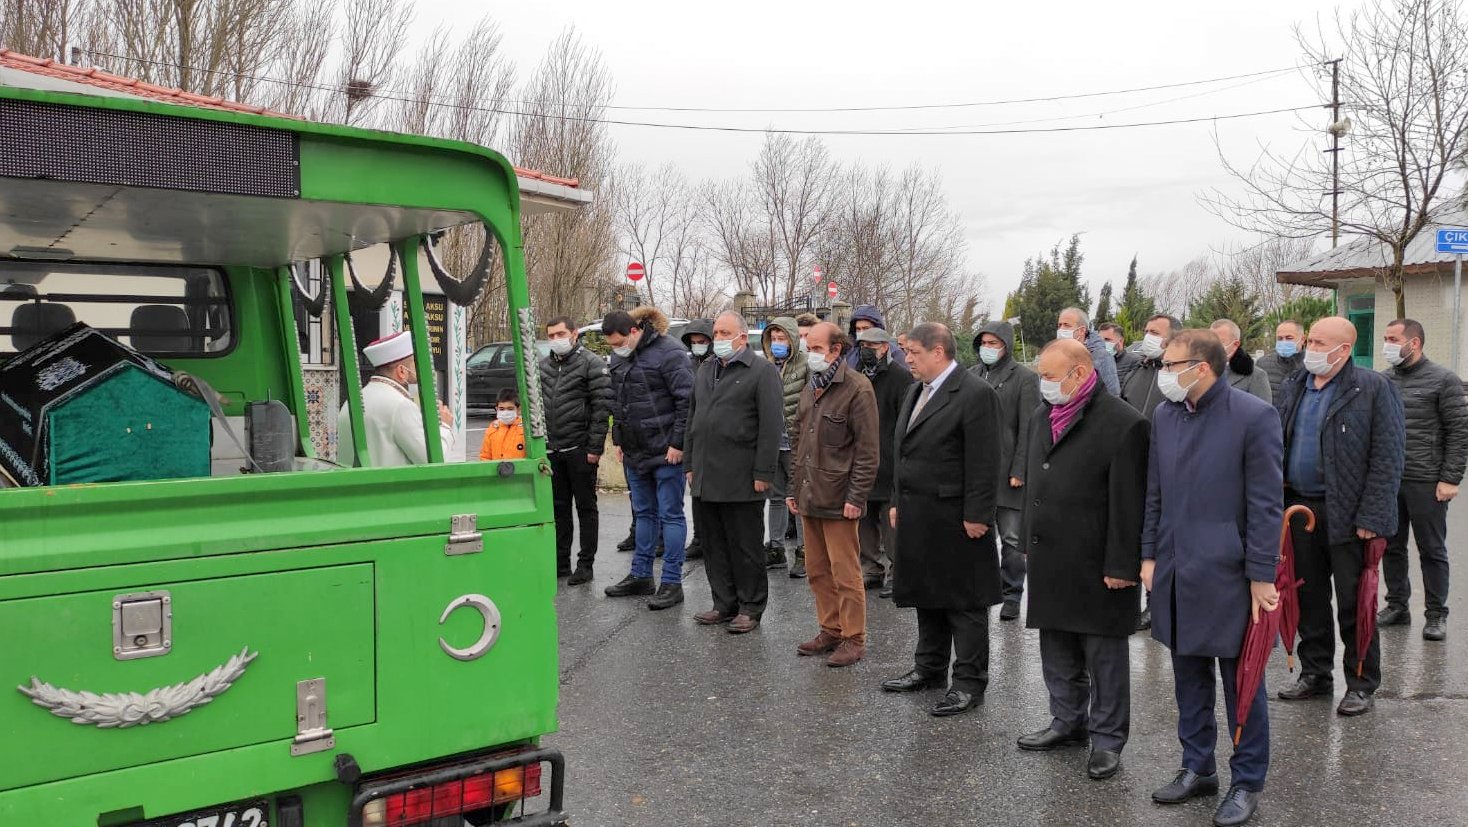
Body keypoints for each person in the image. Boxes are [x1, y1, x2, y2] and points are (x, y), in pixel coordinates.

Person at [1141, 328, 1283, 827]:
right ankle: (1197, 765)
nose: (1162, 374)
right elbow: (1155, 492)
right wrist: (1148, 555)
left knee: (1241, 683)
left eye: (1169, 364)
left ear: (1199, 367)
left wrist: (1262, 575)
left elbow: (1267, 504)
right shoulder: (1165, 415)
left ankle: (1247, 780)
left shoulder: (1253, 416)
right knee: (1189, 677)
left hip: (1231, 572)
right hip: (1177, 567)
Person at [1018, 338, 1148, 782]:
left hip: (1098, 562)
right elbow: (1038, 479)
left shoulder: (1123, 422)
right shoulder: (1043, 416)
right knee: (1057, 649)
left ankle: (1107, 739)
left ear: (1079, 373)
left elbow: (1129, 504)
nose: (1044, 386)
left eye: (1051, 377)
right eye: (1041, 377)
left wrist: (1122, 566)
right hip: (1051, 556)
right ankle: (1067, 721)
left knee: (1104, 658)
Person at [1275, 317, 1404, 717]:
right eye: (1309, 339)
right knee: (1307, 596)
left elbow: (1388, 458)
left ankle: (1361, 680)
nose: (1309, 347)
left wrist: (1374, 516)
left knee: (1355, 603)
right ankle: (1316, 674)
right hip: (1298, 510)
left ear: (1343, 349)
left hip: (1349, 515)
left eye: (1318, 341)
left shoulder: (1372, 388)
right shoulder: (1295, 384)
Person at [880, 323, 1003, 718]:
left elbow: (985, 461)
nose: (907, 359)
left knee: (964, 602)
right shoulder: (917, 390)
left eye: (913, 352)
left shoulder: (975, 393)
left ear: (938, 351)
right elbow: (904, 452)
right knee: (927, 595)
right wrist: (898, 499)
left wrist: (978, 515)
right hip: (919, 513)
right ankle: (929, 667)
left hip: (958, 516)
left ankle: (968, 682)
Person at [687, 312, 785, 634]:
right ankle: (723, 603)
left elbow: (771, 427)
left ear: (742, 337)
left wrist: (764, 471)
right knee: (714, 546)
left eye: (724, 332)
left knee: (745, 546)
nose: (717, 338)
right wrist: (690, 464)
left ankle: (750, 606)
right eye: (715, 332)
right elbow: (693, 420)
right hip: (705, 475)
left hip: (742, 475)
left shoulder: (762, 372)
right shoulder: (706, 370)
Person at [788, 323, 880, 666]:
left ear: (836, 350)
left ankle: (853, 638)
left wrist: (856, 497)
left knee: (845, 573)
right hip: (810, 494)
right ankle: (831, 629)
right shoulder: (809, 388)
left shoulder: (857, 388)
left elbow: (868, 451)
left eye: (814, 346)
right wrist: (793, 489)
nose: (808, 351)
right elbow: (798, 442)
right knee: (817, 570)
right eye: (807, 345)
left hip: (840, 497)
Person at [1379, 318, 1468, 641]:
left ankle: (1435, 614)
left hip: (1427, 480)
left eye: (1392, 338)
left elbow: (1459, 432)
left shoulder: (1444, 380)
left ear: (1413, 343)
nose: (1386, 344)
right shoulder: (1384, 379)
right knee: (1391, 546)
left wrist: (1450, 478)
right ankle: (1397, 605)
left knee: (1431, 549)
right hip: (1390, 480)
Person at [602, 307, 694, 611]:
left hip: (666, 451)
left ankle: (671, 582)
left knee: (671, 515)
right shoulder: (620, 357)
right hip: (635, 451)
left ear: (634, 331)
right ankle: (641, 575)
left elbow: (686, 401)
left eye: (618, 343)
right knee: (643, 514)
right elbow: (617, 401)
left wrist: (678, 443)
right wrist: (619, 439)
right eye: (611, 346)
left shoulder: (670, 352)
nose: (616, 350)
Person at [970, 320, 1040, 621]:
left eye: (993, 343)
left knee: (1012, 540)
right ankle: (985, 591)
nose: (987, 348)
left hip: (1009, 471)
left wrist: (1021, 469)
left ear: (1006, 346)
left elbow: (1030, 426)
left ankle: (1012, 594)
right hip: (978, 473)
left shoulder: (1024, 378)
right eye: (983, 343)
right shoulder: (972, 375)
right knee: (978, 536)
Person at [1121, 313, 1181, 634]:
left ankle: (1158, 603)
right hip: (1133, 465)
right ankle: (1140, 601)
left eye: (1155, 332)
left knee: (1159, 537)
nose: (1148, 337)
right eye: (1146, 331)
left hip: (1164, 468)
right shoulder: (1138, 370)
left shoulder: (1176, 375)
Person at [540, 316, 612, 583]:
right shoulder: (543, 366)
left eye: (560, 334)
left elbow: (601, 408)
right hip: (552, 451)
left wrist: (594, 448)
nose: (556, 339)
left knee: (585, 507)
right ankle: (561, 563)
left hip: (580, 449)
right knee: (559, 508)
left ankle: (585, 564)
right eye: (551, 335)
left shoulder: (592, 364)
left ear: (573, 334)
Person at [338, 330, 458, 467]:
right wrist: (445, 426)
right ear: (401, 371)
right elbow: (434, 460)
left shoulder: (354, 400)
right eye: (415, 362)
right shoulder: (401, 406)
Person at [856, 328, 914, 598]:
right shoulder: (856, 375)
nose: (866, 349)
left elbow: (905, 420)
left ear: (884, 347)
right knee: (863, 519)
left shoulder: (900, 377)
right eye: (862, 344)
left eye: (872, 344)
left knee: (891, 520)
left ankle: (898, 571)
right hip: (862, 458)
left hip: (890, 456)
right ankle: (871, 568)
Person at [760, 316, 809, 576]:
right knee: (776, 497)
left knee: (798, 499)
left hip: (796, 441)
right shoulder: (765, 365)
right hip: (772, 443)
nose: (778, 344)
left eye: (782, 339)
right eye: (774, 339)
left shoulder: (804, 365)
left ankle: (804, 552)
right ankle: (776, 548)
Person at [679, 319, 715, 562]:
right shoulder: (689, 364)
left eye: (702, 342)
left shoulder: (716, 366)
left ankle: (713, 540)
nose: (698, 346)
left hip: (715, 436)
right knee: (697, 494)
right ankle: (700, 539)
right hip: (694, 433)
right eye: (694, 343)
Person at [1056, 307, 1119, 395]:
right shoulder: (1057, 356)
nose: (1061, 329)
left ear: (1082, 330)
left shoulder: (1102, 357)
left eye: (1067, 325)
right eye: (1059, 325)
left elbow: (1113, 394)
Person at [1209, 319, 1272, 402]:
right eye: (1210, 342)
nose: (1213, 347)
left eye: (1219, 342)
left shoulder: (1256, 376)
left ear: (1235, 344)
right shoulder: (1201, 371)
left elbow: (1264, 412)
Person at [1255, 320, 1306, 401]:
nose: (1284, 342)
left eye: (1289, 338)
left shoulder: (1310, 365)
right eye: (1280, 338)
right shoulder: (1262, 364)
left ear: (1302, 339)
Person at [479, 388, 527, 461]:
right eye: (501, 409)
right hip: (496, 471)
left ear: (518, 409)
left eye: (510, 409)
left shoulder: (526, 429)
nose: (505, 412)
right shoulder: (493, 429)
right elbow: (485, 456)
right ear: (496, 409)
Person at [1099, 322, 1141, 386]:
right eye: (1100, 340)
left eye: (1107, 339)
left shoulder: (1134, 362)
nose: (1102, 343)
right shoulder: (1096, 363)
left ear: (1120, 341)